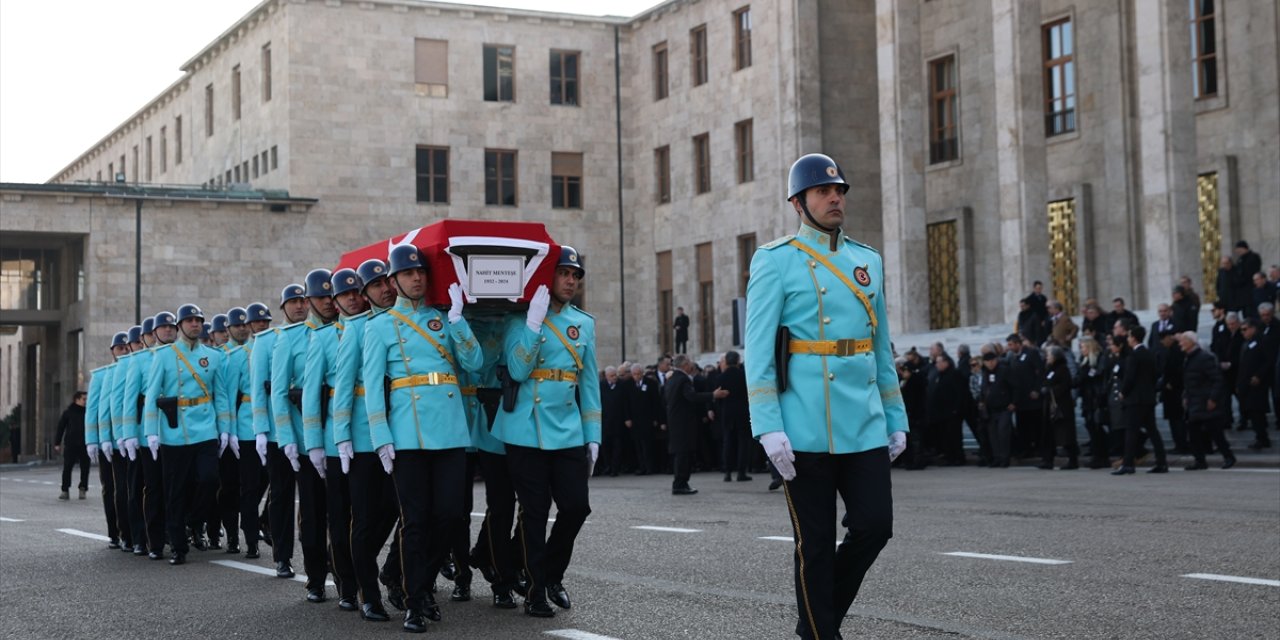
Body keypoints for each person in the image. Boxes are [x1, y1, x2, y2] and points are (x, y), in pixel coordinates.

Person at [745, 153, 907, 640]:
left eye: (839, 190)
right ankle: (821, 633)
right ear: (798, 203)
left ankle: (817, 617)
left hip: (863, 423)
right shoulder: (775, 261)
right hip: (804, 425)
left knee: (875, 526)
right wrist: (767, 425)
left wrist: (895, 416)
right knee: (813, 544)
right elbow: (758, 352)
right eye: (822, 192)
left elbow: (880, 349)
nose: (835, 197)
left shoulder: (867, 261)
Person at [362, 243, 483, 631]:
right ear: (394, 281)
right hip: (407, 434)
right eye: (408, 273)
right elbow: (372, 385)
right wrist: (381, 436)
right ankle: (415, 600)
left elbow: (474, 365)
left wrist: (460, 321)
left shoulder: (444, 318)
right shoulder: (379, 326)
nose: (417, 278)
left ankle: (422, 581)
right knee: (415, 521)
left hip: (448, 429)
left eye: (421, 272)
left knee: (450, 516)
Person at [490, 245, 600, 620]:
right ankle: (536, 592)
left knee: (576, 507)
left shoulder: (583, 323)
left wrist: (594, 433)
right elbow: (518, 371)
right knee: (534, 513)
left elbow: (588, 382)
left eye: (575, 276)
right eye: (564, 274)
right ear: (546, 277)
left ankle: (551, 575)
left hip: (568, 428)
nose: (571, 281)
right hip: (525, 429)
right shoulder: (517, 319)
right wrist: (534, 325)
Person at [331, 259, 405, 621]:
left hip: (401, 433)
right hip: (363, 438)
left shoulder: (404, 322)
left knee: (395, 507)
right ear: (365, 293)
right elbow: (344, 386)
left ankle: (368, 564)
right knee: (363, 516)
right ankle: (368, 594)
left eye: (386, 283)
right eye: (375, 286)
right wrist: (342, 436)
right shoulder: (358, 329)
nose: (385, 290)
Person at [143, 303, 233, 565]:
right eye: (190, 320)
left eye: (199, 320)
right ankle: (178, 547)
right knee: (175, 490)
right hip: (175, 430)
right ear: (180, 325)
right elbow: (152, 396)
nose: (195, 324)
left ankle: (194, 521)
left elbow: (222, 395)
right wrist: (151, 432)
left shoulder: (213, 356)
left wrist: (224, 429)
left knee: (209, 479)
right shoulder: (164, 355)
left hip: (205, 427)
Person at [302, 268, 367, 612]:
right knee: (339, 517)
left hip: (371, 436)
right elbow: (312, 394)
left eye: (355, 292)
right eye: (343, 295)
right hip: (333, 441)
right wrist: (313, 442)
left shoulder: (376, 327)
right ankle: (346, 582)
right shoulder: (324, 338)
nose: (350, 299)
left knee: (370, 514)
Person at [272, 268, 337, 604]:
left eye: (331, 295)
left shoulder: (347, 330)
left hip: (342, 435)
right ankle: (315, 576)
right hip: (306, 437)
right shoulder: (291, 338)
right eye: (320, 297)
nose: (328, 302)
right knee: (313, 513)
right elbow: (279, 393)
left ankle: (341, 570)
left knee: (344, 512)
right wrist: (287, 439)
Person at [253, 282, 309, 579]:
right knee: (282, 494)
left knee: (314, 498)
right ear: (283, 307)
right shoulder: (266, 341)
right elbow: (260, 389)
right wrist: (261, 429)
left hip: (311, 430)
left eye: (303, 300)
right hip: (278, 432)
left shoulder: (315, 334)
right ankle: (282, 556)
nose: (300, 306)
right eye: (293, 302)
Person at [121, 313, 174, 559]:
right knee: (146, 488)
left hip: (173, 430)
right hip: (145, 433)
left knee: (172, 486)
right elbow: (129, 400)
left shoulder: (177, 355)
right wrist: (129, 434)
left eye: (165, 329)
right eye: (153, 332)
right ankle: (142, 538)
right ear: (144, 337)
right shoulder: (140, 360)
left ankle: (169, 533)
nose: (159, 335)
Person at [224, 304, 268, 559]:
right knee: (249, 487)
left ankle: (263, 522)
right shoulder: (239, 356)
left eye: (265, 321)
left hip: (273, 426)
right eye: (257, 322)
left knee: (270, 482)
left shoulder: (276, 347)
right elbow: (229, 397)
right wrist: (229, 432)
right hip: (246, 428)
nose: (261, 325)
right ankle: (251, 539)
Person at [86, 332, 130, 548]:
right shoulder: (103, 375)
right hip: (110, 443)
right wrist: (92, 440)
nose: (123, 351)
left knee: (129, 488)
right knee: (112, 488)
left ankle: (130, 531)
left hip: (131, 438)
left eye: (126, 348)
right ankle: (116, 532)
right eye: (119, 348)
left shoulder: (133, 368)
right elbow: (94, 409)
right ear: (112, 351)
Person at [664, 354, 726, 494]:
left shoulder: (672, 378)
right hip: (683, 422)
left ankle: (680, 482)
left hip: (675, 421)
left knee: (681, 453)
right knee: (683, 454)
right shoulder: (683, 379)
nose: (691, 365)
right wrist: (712, 395)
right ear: (685, 365)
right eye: (689, 363)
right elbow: (692, 396)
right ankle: (680, 484)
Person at [1113, 325, 1168, 475]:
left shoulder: (1134, 355)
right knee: (1153, 431)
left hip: (1135, 400)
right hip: (1148, 398)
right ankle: (1162, 462)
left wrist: (1123, 392)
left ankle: (1128, 464)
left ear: (1133, 338)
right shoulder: (1149, 353)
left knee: (1131, 432)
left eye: (1129, 336)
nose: (1128, 339)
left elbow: (1129, 378)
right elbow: (1156, 374)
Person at [1178, 332, 1235, 470]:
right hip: (1194, 402)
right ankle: (1200, 461)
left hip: (1206, 402)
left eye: (1183, 341)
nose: (1180, 344)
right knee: (1193, 434)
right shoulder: (1188, 358)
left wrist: (1213, 399)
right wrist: (1185, 396)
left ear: (1192, 342)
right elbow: (1189, 381)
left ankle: (1228, 457)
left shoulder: (1204, 358)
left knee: (1216, 433)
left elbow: (1217, 379)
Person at [1039, 346, 1079, 470]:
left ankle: (1073, 460)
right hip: (1049, 406)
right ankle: (1048, 460)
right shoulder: (1049, 369)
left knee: (1066, 435)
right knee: (1048, 435)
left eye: (1049, 356)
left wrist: (1051, 391)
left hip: (1061, 406)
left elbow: (1064, 386)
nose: (1047, 357)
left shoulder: (1062, 369)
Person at [1236, 318, 1272, 450]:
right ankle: (1260, 437)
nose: (1243, 332)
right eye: (1241, 330)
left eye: (1245, 329)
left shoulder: (1262, 340)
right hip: (1246, 382)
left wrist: (1259, 375)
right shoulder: (1247, 342)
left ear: (1253, 328)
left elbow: (1268, 361)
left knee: (1257, 412)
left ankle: (1262, 438)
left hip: (1256, 384)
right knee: (1252, 412)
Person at [1074, 337, 1110, 469]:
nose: (1081, 350)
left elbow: (1096, 376)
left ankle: (1101, 456)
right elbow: (1080, 379)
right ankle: (1098, 456)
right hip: (1087, 399)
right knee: (1091, 427)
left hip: (1095, 399)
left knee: (1096, 428)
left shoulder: (1098, 360)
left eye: (1083, 347)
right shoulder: (1084, 362)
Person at [717, 351, 751, 482]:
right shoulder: (744, 375)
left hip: (727, 412)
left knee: (728, 442)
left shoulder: (721, 377)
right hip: (742, 412)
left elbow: (718, 397)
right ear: (737, 361)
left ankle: (727, 472)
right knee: (743, 442)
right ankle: (741, 472)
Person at [56, 391, 90, 501]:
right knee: (67, 467)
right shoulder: (68, 413)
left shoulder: (88, 412)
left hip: (85, 444)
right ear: (77, 400)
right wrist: (57, 443)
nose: (85, 401)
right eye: (83, 399)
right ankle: (65, 490)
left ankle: (83, 488)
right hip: (71, 444)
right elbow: (61, 428)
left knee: (85, 468)